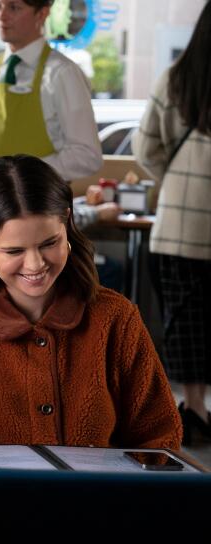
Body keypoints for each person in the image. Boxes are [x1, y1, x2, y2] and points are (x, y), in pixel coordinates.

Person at [0, 155, 180, 448]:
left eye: (49, 244)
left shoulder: (116, 318)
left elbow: (160, 437)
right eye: (14, 251)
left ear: (66, 223)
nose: (35, 265)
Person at [133, 1, 211, 446]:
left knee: (184, 320)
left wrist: (178, 184)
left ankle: (194, 407)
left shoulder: (175, 79)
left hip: (178, 228)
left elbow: (146, 149)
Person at [0, 0, 102, 183]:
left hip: (40, 208)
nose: (1, 16)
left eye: (14, 7)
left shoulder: (63, 74)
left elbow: (87, 156)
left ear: (42, 14)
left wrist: (15, 173)